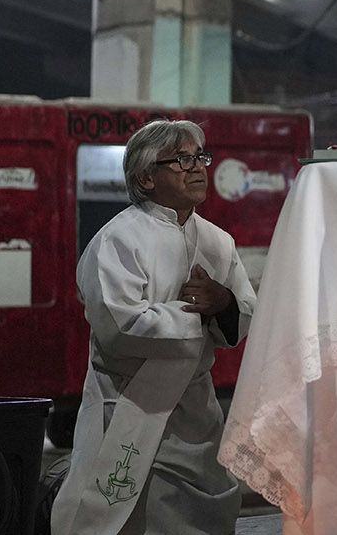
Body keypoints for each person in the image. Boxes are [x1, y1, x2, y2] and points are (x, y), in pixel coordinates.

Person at [51, 120, 258, 534]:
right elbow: (118, 324)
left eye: (201, 157)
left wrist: (223, 303)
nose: (198, 167)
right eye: (183, 159)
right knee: (122, 516)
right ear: (147, 176)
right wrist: (195, 312)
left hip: (195, 411)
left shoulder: (219, 241)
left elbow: (246, 310)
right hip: (129, 403)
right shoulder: (118, 239)